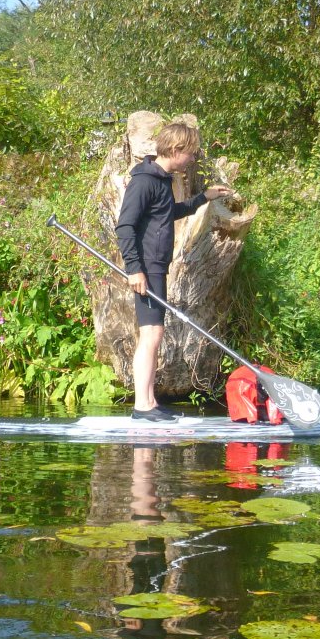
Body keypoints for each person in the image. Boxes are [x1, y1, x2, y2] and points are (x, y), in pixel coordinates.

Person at [114, 121, 232, 421]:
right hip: (146, 267)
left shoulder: (162, 179)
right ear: (176, 150)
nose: (192, 159)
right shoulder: (144, 182)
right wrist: (134, 269)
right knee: (150, 333)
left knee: (155, 332)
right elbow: (125, 226)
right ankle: (142, 406)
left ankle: (150, 402)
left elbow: (170, 213)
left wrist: (204, 197)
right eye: (190, 153)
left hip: (156, 266)